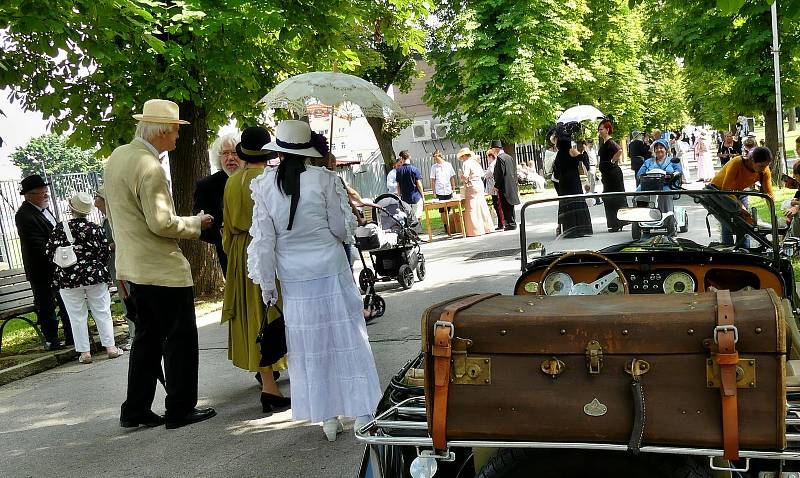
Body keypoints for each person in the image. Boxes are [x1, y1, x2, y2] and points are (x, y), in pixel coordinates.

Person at [247, 120, 381, 442]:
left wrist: (267, 285)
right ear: (307, 151)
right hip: (331, 270)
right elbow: (340, 228)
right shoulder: (325, 180)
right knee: (346, 337)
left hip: (294, 278)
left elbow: (264, 241)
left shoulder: (264, 186)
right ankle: (363, 413)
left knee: (311, 347)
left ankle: (327, 418)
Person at [105, 99, 216, 429]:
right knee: (179, 342)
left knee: (147, 342)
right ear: (162, 131)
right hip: (161, 269)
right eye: (176, 132)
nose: (178, 139)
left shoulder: (118, 158)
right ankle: (180, 409)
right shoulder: (149, 166)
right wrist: (197, 223)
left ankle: (135, 409)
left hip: (132, 266)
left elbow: (110, 209)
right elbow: (162, 224)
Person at [221, 126, 289, 413]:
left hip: (238, 254)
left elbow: (226, 231)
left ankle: (268, 386)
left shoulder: (231, 183)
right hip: (264, 248)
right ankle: (281, 383)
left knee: (253, 318)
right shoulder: (268, 179)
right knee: (275, 313)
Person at [45, 192, 123, 364]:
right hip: (95, 275)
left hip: (68, 278)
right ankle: (110, 347)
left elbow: (49, 253)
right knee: (102, 311)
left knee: (76, 315)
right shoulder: (95, 229)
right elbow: (104, 252)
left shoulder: (59, 229)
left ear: (71, 209)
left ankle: (85, 352)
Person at [15, 174, 73, 350]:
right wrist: (57, 252)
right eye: (42, 193)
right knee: (46, 304)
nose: (46, 196)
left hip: (56, 266)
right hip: (41, 269)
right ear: (29, 195)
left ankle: (71, 336)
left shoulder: (44, 210)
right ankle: (52, 340)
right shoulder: (24, 215)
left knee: (65, 301)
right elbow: (36, 244)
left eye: (46, 192)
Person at [192, 131, 243, 276]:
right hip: (228, 254)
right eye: (225, 153)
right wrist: (220, 232)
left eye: (235, 152)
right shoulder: (206, 185)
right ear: (219, 157)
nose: (230, 158)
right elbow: (200, 227)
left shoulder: (256, 179)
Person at [94, 187, 136, 351]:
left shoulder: (113, 219)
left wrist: (103, 247)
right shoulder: (110, 218)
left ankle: (135, 336)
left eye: (97, 197)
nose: (95, 201)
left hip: (121, 266)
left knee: (128, 301)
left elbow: (120, 242)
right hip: (118, 266)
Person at [709, 146, 774, 246]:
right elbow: (726, 190)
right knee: (728, 221)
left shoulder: (764, 170)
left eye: (766, 166)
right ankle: (728, 249)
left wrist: (774, 217)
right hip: (720, 191)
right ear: (751, 160)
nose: (764, 169)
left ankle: (746, 250)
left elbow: (769, 195)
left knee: (745, 223)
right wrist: (741, 208)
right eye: (761, 166)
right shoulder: (736, 163)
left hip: (739, 192)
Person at [554, 125, 593, 238]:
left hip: (563, 181)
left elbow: (556, 170)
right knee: (577, 200)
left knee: (567, 202)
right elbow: (584, 161)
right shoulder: (571, 151)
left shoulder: (559, 154)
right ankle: (580, 227)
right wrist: (584, 151)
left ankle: (569, 228)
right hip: (573, 180)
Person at [636, 139, 682, 215]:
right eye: (656, 148)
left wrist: (673, 175)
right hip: (649, 185)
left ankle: (666, 216)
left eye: (661, 148)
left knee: (664, 195)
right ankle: (642, 217)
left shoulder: (672, 161)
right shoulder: (648, 162)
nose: (658, 150)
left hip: (667, 185)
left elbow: (678, 171)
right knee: (639, 195)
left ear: (666, 149)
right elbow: (639, 174)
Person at [597, 119, 628, 232]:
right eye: (599, 130)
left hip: (612, 174)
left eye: (601, 129)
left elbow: (619, 150)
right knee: (609, 198)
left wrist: (612, 161)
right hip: (607, 175)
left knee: (614, 198)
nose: (600, 131)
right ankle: (614, 222)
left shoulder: (610, 142)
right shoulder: (604, 142)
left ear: (607, 129)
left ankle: (618, 222)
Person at [456, 147, 494, 236]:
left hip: (471, 185)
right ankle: (487, 227)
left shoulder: (466, 163)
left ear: (464, 156)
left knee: (471, 207)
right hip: (479, 184)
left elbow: (465, 176)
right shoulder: (475, 163)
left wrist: (461, 175)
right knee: (481, 205)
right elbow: (482, 174)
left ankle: (475, 230)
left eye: (462, 157)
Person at [491, 140, 521, 230]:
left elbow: (500, 174)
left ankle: (510, 224)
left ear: (496, 149)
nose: (492, 151)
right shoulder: (509, 157)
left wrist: (496, 186)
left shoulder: (500, 158)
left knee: (506, 205)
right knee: (510, 205)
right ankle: (512, 222)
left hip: (504, 185)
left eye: (493, 149)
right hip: (511, 184)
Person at [429, 149, 456, 233]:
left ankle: (449, 224)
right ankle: (445, 226)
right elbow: (433, 180)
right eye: (434, 158)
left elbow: (452, 177)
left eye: (436, 157)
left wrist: (453, 188)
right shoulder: (434, 167)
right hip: (439, 191)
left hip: (448, 190)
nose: (435, 159)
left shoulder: (448, 165)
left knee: (448, 209)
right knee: (442, 210)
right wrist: (433, 192)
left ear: (440, 156)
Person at [395, 150, 425, 223]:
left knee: (408, 217)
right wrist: (423, 196)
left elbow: (398, 186)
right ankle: (418, 230)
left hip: (405, 198)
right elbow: (419, 184)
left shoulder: (399, 171)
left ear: (401, 158)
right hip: (415, 196)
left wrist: (399, 196)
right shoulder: (414, 169)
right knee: (417, 216)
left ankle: (411, 231)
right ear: (409, 157)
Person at [484, 150, 505, 230]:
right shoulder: (493, 163)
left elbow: (490, 173)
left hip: (493, 186)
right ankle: (501, 222)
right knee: (496, 204)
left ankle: (501, 223)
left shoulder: (492, 164)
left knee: (497, 204)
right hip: (493, 186)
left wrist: (484, 175)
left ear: (490, 157)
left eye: (488, 157)